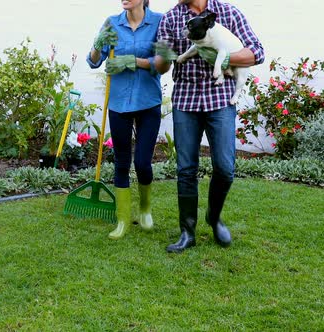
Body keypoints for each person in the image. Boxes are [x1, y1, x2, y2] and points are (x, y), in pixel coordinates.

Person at [155, 0, 264, 253]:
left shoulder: (228, 12)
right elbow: (163, 62)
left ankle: (214, 218)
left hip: (221, 100)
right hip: (186, 99)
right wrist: (161, 58)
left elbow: (256, 52)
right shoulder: (171, 18)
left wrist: (223, 57)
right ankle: (187, 231)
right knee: (186, 169)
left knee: (225, 168)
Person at [87, 0, 164, 240]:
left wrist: (132, 62)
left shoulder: (159, 22)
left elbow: (163, 64)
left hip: (148, 101)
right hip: (119, 103)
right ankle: (122, 220)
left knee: (142, 162)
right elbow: (93, 61)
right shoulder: (111, 23)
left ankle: (145, 210)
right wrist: (98, 45)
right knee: (121, 162)